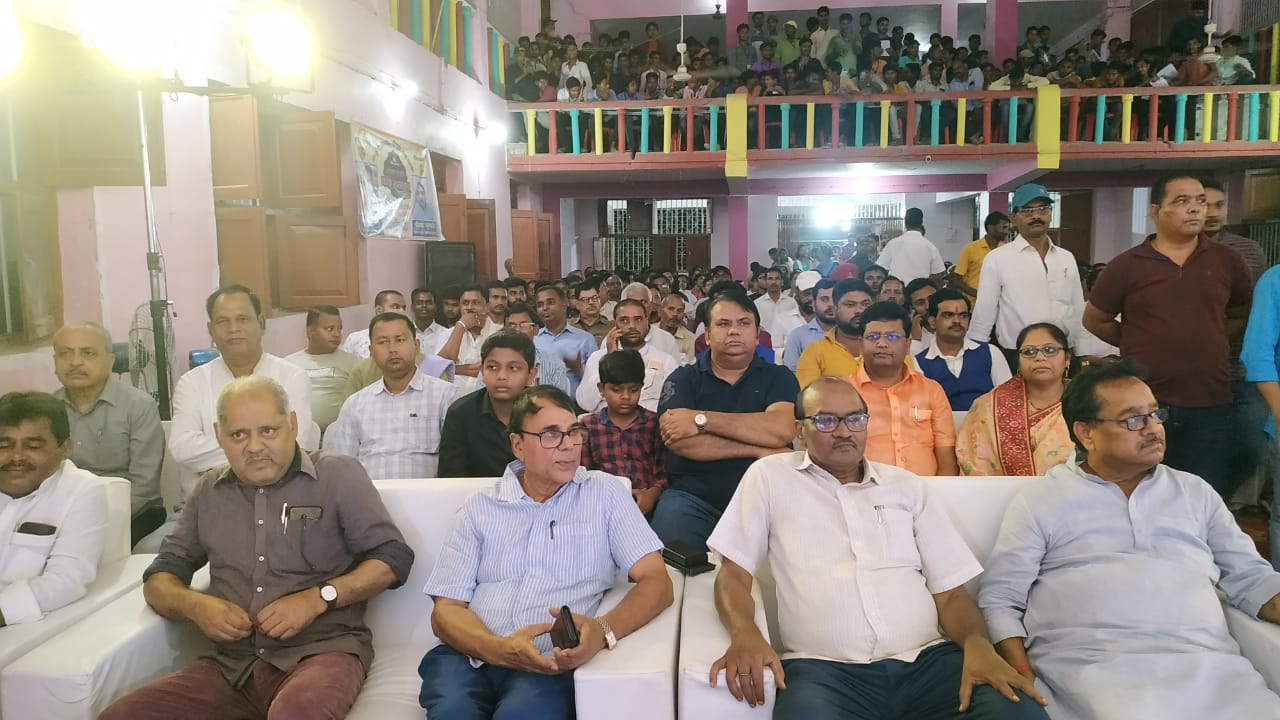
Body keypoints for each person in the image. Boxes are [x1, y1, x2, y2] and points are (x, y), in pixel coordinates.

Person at [706, 378, 1048, 720]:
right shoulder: (769, 477)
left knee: (1021, 713)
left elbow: (952, 595)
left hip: (928, 664)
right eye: (826, 420)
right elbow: (733, 575)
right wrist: (744, 632)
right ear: (799, 430)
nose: (844, 431)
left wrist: (978, 645)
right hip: (824, 673)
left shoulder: (906, 487)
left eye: (855, 418)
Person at [978, 360, 1280, 720]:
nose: (1153, 429)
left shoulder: (1194, 492)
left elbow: (1252, 579)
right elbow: (1000, 600)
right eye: (1133, 420)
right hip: (1090, 673)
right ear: (1086, 433)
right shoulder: (1042, 500)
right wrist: (1024, 676)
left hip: (1209, 665)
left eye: (1155, 414)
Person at [99, 377, 414, 720]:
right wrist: (196, 605)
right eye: (238, 435)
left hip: (321, 654)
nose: (254, 446)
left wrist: (317, 598)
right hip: (229, 666)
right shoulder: (209, 491)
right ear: (220, 436)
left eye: (268, 431)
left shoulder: (337, 475)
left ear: (292, 425)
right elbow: (160, 578)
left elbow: (393, 556)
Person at [418, 386, 673, 720]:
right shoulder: (479, 508)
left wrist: (603, 630)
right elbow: (446, 611)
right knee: (453, 713)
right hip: (467, 657)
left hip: (549, 663)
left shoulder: (604, 494)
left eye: (574, 432)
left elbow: (657, 582)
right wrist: (497, 649)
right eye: (551, 435)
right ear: (518, 445)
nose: (568, 446)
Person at [1084, 175, 1252, 501]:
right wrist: (1137, 343)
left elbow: (1241, 313)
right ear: (1155, 210)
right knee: (1142, 492)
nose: (1195, 209)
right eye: (1182, 201)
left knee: (1205, 495)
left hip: (1209, 400)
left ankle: (1195, 554)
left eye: (1201, 201)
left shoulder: (1227, 261)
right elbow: (1095, 319)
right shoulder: (1126, 265)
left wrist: (1211, 337)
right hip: (1146, 403)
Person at [650, 291, 800, 552]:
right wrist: (757, 447)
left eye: (744, 323)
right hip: (692, 499)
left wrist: (701, 419)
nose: (734, 331)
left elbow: (781, 430)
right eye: (723, 324)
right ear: (706, 336)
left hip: (765, 497)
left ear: (757, 334)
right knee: (671, 559)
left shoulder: (780, 377)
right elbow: (681, 442)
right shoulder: (683, 378)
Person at [170, 285, 317, 503]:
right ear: (210, 329)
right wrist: (264, 454)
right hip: (205, 507)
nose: (233, 329)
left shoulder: (292, 377)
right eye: (223, 321)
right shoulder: (192, 383)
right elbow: (182, 448)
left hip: (278, 504)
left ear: (261, 323)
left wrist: (216, 460)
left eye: (242, 319)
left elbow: (296, 445)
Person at [0, 392, 109, 627]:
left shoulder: (83, 491)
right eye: (4, 445)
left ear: (65, 448)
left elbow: (67, 579)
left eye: (33, 446)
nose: (16, 456)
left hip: (14, 618)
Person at [51, 322, 165, 546]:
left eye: (88, 353)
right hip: (63, 516)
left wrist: (91, 522)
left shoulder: (139, 406)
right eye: (65, 353)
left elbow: (144, 487)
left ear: (110, 361)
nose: (75, 362)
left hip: (132, 514)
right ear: (54, 362)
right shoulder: (45, 409)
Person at [324, 313, 457, 480]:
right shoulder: (355, 404)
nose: (392, 349)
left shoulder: (445, 396)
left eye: (400, 340)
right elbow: (340, 467)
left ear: (416, 346)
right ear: (371, 351)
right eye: (382, 342)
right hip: (368, 500)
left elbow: (456, 464)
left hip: (427, 500)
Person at [969, 184, 1085, 369]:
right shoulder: (998, 259)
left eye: (1042, 209)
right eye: (1027, 211)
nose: (1036, 216)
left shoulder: (1066, 257)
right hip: (1020, 355)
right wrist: (976, 357)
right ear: (1013, 217)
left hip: (1064, 355)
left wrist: (1084, 355)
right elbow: (984, 313)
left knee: (1067, 399)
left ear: (1050, 213)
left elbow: (1078, 308)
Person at [846, 302, 958, 475]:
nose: (882, 344)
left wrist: (938, 498)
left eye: (892, 337)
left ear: (907, 344)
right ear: (860, 344)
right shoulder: (844, 393)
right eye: (873, 337)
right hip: (865, 494)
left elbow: (947, 460)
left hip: (925, 494)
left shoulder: (931, 390)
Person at [956, 323, 1074, 476]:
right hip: (1002, 496)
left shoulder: (1087, 400)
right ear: (1018, 360)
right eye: (1029, 352)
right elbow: (975, 467)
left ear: (1067, 359)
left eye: (1049, 350)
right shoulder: (988, 406)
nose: (1039, 357)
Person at [440, 331, 539, 478]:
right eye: (492, 367)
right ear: (482, 371)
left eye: (513, 368)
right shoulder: (460, 414)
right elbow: (451, 478)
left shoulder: (546, 411)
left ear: (530, 375)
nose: (501, 376)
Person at [580, 350, 667, 516]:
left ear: (642, 387)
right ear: (601, 389)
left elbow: (662, 472)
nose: (626, 396)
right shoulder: (588, 426)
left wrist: (651, 495)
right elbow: (585, 474)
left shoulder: (654, 423)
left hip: (647, 506)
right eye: (616, 390)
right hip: (601, 506)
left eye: (633, 390)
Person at [916, 289, 1013, 412]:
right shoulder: (919, 364)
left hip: (987, 428)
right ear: (933, 322)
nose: (957, 321)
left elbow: (1010, 400)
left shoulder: (991, 353)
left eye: (963, 315)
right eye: (948, 315)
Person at [576, 299, 680, 414]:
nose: (632, 326)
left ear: (647, 322)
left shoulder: (665, 361)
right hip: (606, 427)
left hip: (650, 426)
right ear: (615, 325)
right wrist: (611, 359)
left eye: (638, 319)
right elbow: (585, 403)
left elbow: (674, 404)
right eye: (624, 320)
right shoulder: (598, 357)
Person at [286, 306, 360, 433]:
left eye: (339, 329)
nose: (336, 334)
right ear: (310, 332)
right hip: (298, 436)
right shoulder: (288, 364)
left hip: (340, 433)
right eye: (329, 329)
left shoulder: (354, 363)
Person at [796, 279, 872, 388]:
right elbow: (808, 400)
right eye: (850, 305)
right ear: (835, 309)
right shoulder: (815, 352)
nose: (859, 310)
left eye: (865, 304)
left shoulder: (885, 346)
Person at [534, 284, 598, 396]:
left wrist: (579, 369)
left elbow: (596, 381)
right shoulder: (533, 340)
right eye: (540, 305)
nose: (545, 308)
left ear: (564, 304)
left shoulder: (585, 339)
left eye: (551, 302)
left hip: (575, 406)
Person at [437, 285, 500, 394]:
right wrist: (460, 327)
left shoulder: (500, 334)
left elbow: (496, 368)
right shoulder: (446, 334)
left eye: (476, 303)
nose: (470, 307)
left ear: (487, 306)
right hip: (453, 401)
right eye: (465, 303)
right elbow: (438, 368)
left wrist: (454, 369)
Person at [951, 213, 1012, 303]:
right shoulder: (970, 248)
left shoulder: (1006, 250)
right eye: (1003, 227)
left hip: (999, 305)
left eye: (1008, 228)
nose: (1007, 232)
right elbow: (957, 279)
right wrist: (978, 295)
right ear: (991, 227)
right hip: (973, 305)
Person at [876, 209, 945, 284]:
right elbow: (937, 275)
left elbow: (881, 269)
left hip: (897, 291)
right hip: (920, 291)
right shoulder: (930, 247)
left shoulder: (893, 244)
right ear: (921, 222)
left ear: (905, 222)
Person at [783, 278, 837, 372]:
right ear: (813, 304)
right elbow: (791, 374)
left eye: (835, 299)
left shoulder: (851, 335)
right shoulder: (797, 336)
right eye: (824, 299)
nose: (831, 304)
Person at [339, 289, 408, 358]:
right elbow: (345, 366)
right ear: (379, 310)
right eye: (396, 307)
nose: (401, 311)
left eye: (403, 308)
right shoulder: (355, 339)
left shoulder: (409, 337)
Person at [656, 292, 696, 364]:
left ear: (684, 314)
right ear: (660, 311)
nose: (675, 314)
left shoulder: (691, 339)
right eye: (671, 309)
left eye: (680, 311)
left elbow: (690, 367)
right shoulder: (648, 331)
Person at [411, 287, 451, 355]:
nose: (424, 305)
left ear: (435, 307)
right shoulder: (404, 333)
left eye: (428, 302)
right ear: (412, 307)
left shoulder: (446, 334)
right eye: (420, 302)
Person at [571, 278, 611, 344]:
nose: (591, 302)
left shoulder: (610, 327)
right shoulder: (569, 327)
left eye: (594, 298)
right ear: (577, 304)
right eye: (585, 300)